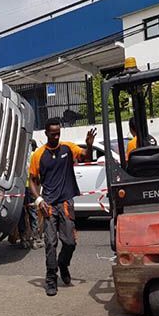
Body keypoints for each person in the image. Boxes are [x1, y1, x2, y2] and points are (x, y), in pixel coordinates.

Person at [29, 118, 96, 296]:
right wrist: (39, 200)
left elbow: (85, 157)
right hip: (49, 205)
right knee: (50, 243)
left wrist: (89, 146)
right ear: (46, 133)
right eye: (53, 134)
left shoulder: (67, 148)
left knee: (70, 242)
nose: (56, 136)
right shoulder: (38, 155)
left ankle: (63, 264)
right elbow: (32, 181)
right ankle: (51, 278)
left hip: (66, 203)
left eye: (58, 133)